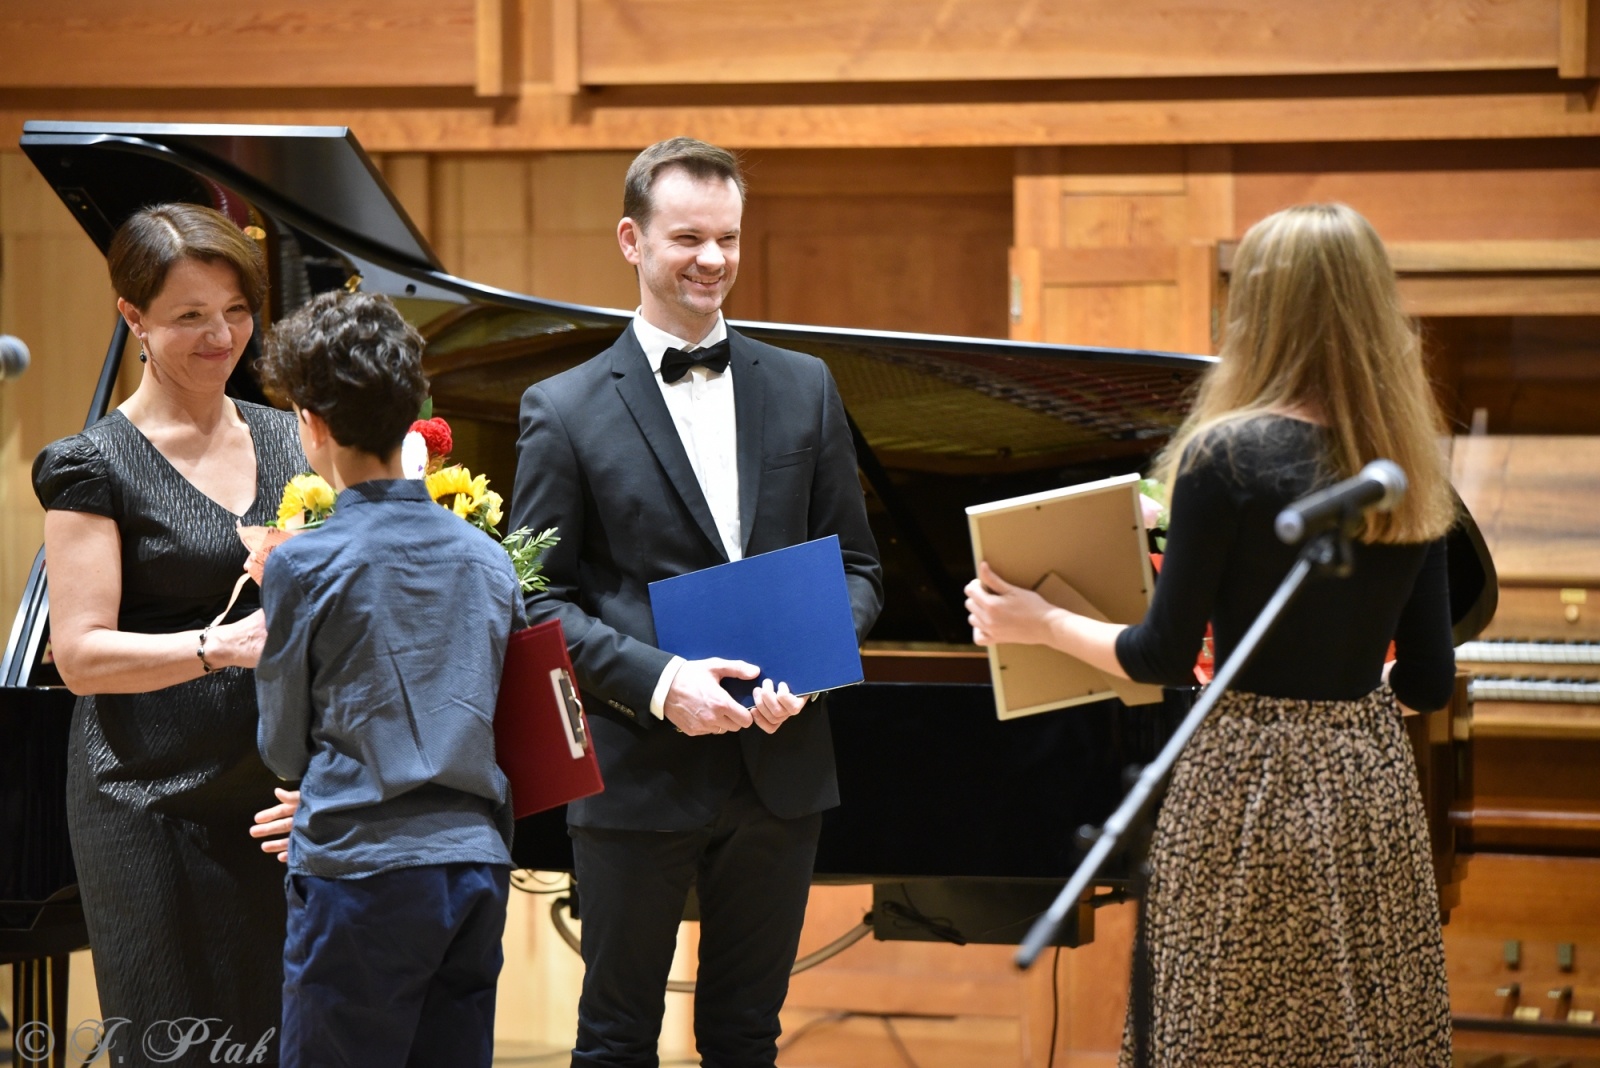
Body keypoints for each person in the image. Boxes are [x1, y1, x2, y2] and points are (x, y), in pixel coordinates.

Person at [965, 203, 1457, 1068]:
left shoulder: (1228, 455)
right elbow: (1425, 682)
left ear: (1258, 310)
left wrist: (1036, 621)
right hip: (1368, 788)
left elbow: (1159, 656)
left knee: (1222, 1031)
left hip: (1245, 784)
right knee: (1357, 1033)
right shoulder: (1406, 463)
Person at [510, 137, 883, 1067]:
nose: (713, 260)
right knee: (617, 1040)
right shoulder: (562, 407)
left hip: (781, 763)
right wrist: (663, 680)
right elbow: (533, 602)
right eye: (688, 238)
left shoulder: (806, 386)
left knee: (747, 1037)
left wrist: (813, 668)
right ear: (632, 241)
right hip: (639, 770)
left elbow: (864, 569)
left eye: (728, 238)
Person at [32, 203, 302, 1063]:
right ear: (133, 318)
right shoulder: (93, 463)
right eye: (190, 315)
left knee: (283, 1035)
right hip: (147, 801)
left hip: (273, 797)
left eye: (235, 310)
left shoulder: (290, 438)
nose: (222, 335)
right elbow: (79, 656)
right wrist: (217, 647)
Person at [250, 290, 523, 1068]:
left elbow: (283, 746)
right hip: (474, 866)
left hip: (360, 870)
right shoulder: (487, 558)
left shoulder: (304, 560)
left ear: (314, 422)